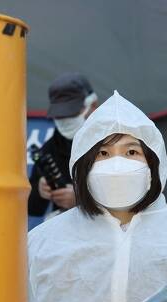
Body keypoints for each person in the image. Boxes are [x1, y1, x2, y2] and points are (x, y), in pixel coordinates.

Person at [28, 91, 167, 302]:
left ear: (153, 165)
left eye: (131, 151)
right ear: (83, 167)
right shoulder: (41, 244)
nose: (116, 164)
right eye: (102, 153)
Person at [28, 73, 98, 217]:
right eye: (60, 115)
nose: (66, 120)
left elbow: (130, 194)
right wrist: (40, 191)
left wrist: (82, 200)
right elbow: (33, 209)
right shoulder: (50, 148)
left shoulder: (116, 140)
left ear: (93, 105)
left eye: (71, 113)